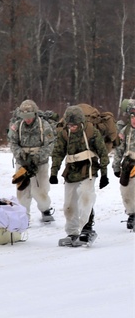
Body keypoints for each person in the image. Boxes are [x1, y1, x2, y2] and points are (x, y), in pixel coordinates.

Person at [49, 105, 110, 246]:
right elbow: (58, 153)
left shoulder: (92, 132)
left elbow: (103, 153)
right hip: (72, 170)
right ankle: (72, 232)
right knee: (69, 205)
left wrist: (104, 174)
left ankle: (86, 228)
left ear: (81, 122)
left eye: (75, 125)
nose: (72, 127)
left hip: (89, 168)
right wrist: (54, 173)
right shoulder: (64, 134)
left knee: (85, 196)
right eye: (70, 125)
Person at [7, 99, 55, 223]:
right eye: (24, 117)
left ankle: (45, 209)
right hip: (22, 162)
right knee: (22, 190)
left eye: (29, 116)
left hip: (40, 162)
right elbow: (12, 142)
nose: (27, 119)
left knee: (40, 191)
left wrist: (37, 157)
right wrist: (20, 154)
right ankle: (24, 217)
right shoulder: (17, 125)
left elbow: (49, 144)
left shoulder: (43, 125)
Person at [112, 98, 135, 231]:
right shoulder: (125, 131)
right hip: (128, 163)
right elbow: (119, 150)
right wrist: (116, 167)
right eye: (132, 117)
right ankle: (131, 213)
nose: (134, 120)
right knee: (126, 191)